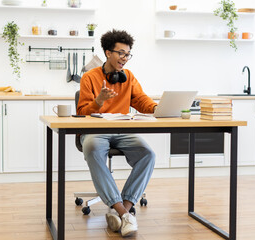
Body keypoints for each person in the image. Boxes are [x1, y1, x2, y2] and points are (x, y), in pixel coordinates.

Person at [77, 29, 157, 237]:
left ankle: (121, 210)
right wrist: (99, 101)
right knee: (92, 148)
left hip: (122, 129)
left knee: (148, 154)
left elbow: (141, 101)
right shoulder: (89, 78)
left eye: (127, 54)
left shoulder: (128, 77)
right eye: (120, 53)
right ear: (107, 52)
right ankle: (125, 212)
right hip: (95, 131)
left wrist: (158, 108)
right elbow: (82, 112)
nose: (124, 58)